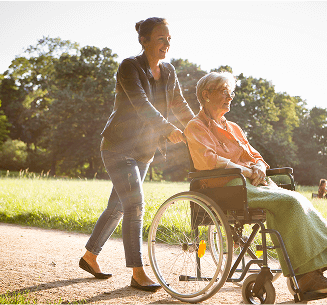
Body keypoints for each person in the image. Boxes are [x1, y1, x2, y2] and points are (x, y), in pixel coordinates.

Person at [184, 72, 327, 294]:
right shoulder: (195, 127)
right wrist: (249, 171)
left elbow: (256, 156)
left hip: (249, 183)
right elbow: (209, 161)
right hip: (226, 187)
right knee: (290, 202)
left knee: (296, 200)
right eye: (224, 91)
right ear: (206, 94)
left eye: (231, 92)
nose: (230, 97)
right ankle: (319, 272)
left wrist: (258, 167)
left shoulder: (234, 128)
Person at [80, 17, 194, 292]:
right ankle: (137, 272)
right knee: (135, 205)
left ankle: (89, 256)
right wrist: (168, 129)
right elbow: (141, 103)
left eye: (169, 38)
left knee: (118, 206)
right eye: (160, 38)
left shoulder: (168, 71)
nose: (166, 43)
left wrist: (199, 128)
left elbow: (179, 103)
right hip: (118, 146)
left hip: (144, 151)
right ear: (143, 41)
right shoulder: (129, 66)